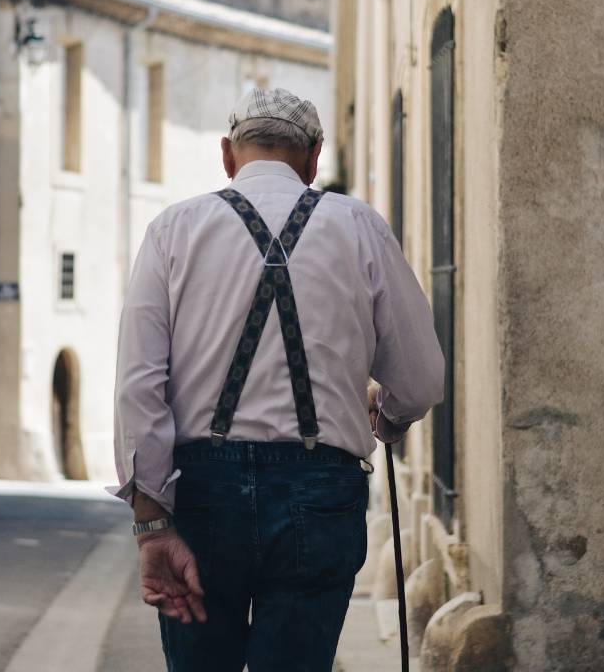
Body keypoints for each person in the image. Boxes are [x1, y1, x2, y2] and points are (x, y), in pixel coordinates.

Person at [108, 87, 444, 671]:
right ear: (314, 158)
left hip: (203, 496)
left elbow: (139, 386)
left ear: (226, 155)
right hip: (320, 496)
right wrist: (386, 418)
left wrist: (152, 522)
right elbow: (419, 379)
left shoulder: (173, 230)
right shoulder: (359, 225)